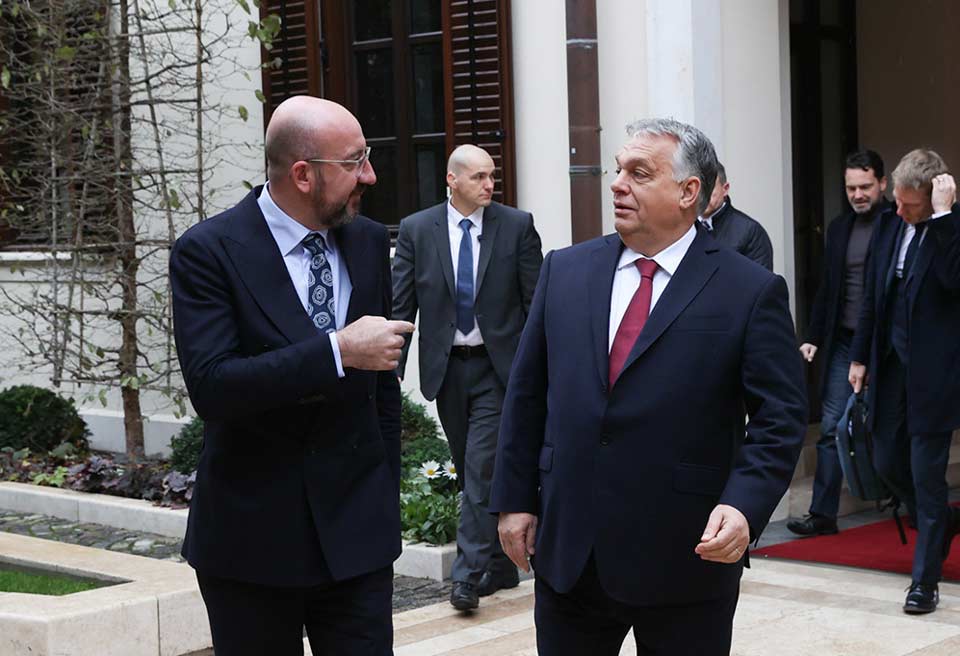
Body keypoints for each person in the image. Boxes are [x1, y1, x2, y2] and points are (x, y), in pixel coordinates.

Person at [490, 118, 807, 655]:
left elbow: (780, 416)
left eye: (639, 173)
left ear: (688, 191)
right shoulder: (564, 271)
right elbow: (527, 394)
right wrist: (514, 499)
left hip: (687, 557)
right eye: (618, 170)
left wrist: (745, 505)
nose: (617, 184)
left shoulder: (749, 290)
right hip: (572, 554)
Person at [169, 96, 414, 655]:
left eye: (366, 157)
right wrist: (336, 351)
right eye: (353, 162)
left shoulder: (368, 240)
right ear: (303, 174)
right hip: (251, 543)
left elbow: (382, 388)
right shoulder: (208, 251)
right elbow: (214, 386)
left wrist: (384, 494)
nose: (370, 176)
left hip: (357, 538)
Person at [392, 144, 543, 611]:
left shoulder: (516, 226)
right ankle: (500, 566)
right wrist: (389, 374)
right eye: (478, 177)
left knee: (480, 469)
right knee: (469, 468)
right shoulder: (417, 230)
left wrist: (540, 371)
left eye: (492, 176)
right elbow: (402, 305)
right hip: (447, 370)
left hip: (498, 370)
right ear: (452, 180)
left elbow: (536, 303)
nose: (489, 184)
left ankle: (466, 576)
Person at [848, 149, 960, 615]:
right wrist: (859, 356)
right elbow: (873, 297)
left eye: (909, 205)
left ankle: (924, 582)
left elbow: (954, 281)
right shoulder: (890, 226)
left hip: (934, 376)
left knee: (926, 476)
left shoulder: (950, 228)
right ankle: (942, 521)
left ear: (933, 197)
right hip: (890, 368)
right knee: (886, 461)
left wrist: (944, 218)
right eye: (896, 200)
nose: (898, 210)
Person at [788, 149, 896, 537]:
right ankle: (822, 514)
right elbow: (828, 289)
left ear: (882, 183)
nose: (858, 195)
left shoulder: (898, 224)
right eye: (851, 188)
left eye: (865, 186)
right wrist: (813, 336)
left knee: (893, 426)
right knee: (832, 427)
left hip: (886, 346)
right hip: (844, 343)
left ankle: (909, 502)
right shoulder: (838, 228)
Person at [698, 162, 774, 270]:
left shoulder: (750, 232)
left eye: (709, 188)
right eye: (698, 188)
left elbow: (760, 278)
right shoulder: (684, 227)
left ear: (725, 189)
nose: (702, 195)